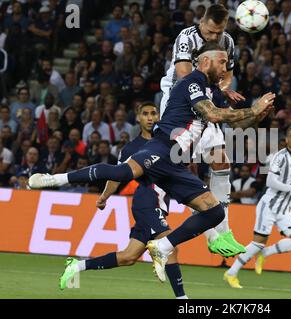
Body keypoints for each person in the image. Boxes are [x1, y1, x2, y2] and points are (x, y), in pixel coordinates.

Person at [29, 42, 275, 283]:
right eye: (222, 62)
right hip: (164, 148)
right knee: (123, 172)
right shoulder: (192, 81)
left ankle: (163, 246)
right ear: (206, 61)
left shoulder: (213, 92)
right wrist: (252, 110)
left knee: (213, 211)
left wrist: (258, 117)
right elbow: (212, 114)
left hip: (177, 163)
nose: (226, 67)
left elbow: (232, 122)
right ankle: (53, 179)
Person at [58, 102, 188, 299]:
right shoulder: (131, 148)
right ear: (138, 118)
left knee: (128, 257)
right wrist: (104, 197)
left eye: (154, 113)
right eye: (145, 114)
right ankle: (182, 300)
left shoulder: (169, 142)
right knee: (171, 248)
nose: (150, 117)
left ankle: (78, 265)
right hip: (147, 201)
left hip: (159, 204)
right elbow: (116, 176)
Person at [159, 4, 248, 256]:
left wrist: (223, 87)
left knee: (221, 162)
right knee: (189, 170)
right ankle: (212, 237)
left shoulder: (227, 41)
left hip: (207, 99)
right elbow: (185, 75)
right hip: (180, 103)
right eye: (210, 32)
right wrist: (218, 89)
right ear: (202, 22)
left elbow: (227, 74)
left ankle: (225, 231)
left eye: (217, 32)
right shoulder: (186, 37)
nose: (213, 37)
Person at [224, 126, 291, 289]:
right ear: (287, 140)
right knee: (258, 242)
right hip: (269, 205)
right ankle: (231, 273)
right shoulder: (279, 157)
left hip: (284, 209)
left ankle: (265, 254)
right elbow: (270, 182)